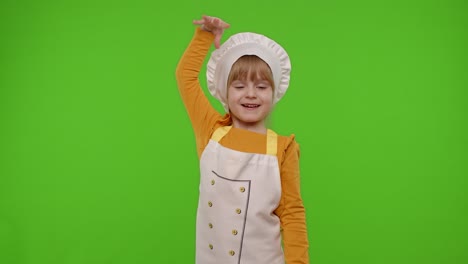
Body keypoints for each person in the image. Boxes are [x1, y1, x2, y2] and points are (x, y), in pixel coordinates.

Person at [175, 15, 310, 264]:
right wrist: (205, 34)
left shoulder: (283, 149)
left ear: (274, 92)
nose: (250, 94)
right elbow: (186, 78)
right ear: (224, 92)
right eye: (239, 86)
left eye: (261, 86)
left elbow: (292, 216)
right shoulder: (211, 129)